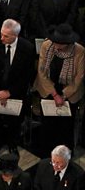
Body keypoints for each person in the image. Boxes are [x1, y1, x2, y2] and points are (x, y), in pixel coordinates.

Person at [0, 19, 35, 161]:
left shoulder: (28, 48)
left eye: (6, 36)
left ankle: (13, 145)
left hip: (15, 93)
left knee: (14, 122)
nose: (2, 38)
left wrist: (10, 92)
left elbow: (28, 75)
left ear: (15, 36)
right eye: (1, 34)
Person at [33, 24, 84, 153]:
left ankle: (65, 152)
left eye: (59, 44)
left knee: (65, 126)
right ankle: (46, 150)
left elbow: (79, 77)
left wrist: (64, 95)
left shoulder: (79, 50)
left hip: (70, 92)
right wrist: (55, 94)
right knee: (48, 124)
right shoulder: (46, 45)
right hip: (49, 88)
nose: (56, 45)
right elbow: (41, 72)